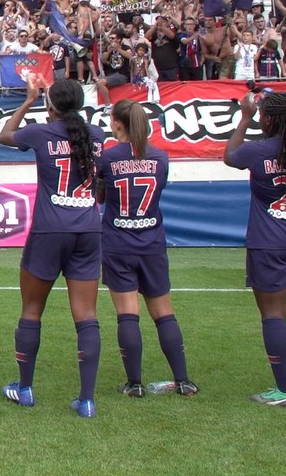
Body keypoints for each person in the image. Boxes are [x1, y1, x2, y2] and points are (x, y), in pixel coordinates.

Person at [0, 77, 105, 417]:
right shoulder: (96, 134)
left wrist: (28, 100)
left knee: (32, 310)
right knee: (86, 316)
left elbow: (4, 135)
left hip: (49, 230)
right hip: (88, 228)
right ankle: (86, 399)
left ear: (51, 105)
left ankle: (25, 388)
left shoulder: (40, 132)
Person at [99, 99, 198, 397]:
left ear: (118, 123)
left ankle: (135, 384)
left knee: (128, 313)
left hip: (118, 243)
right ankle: (183, 380)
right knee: (164, 312)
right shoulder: (160, 158)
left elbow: (100, 197)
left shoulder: (107, 158)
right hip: (152, 243)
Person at [225, 90, 286, 406]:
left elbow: (230, 155)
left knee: (273, 315)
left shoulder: (257, 151)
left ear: (269, 119)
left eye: (262, 115)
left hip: (269, 242)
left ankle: (285, 391)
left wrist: (244, 118)